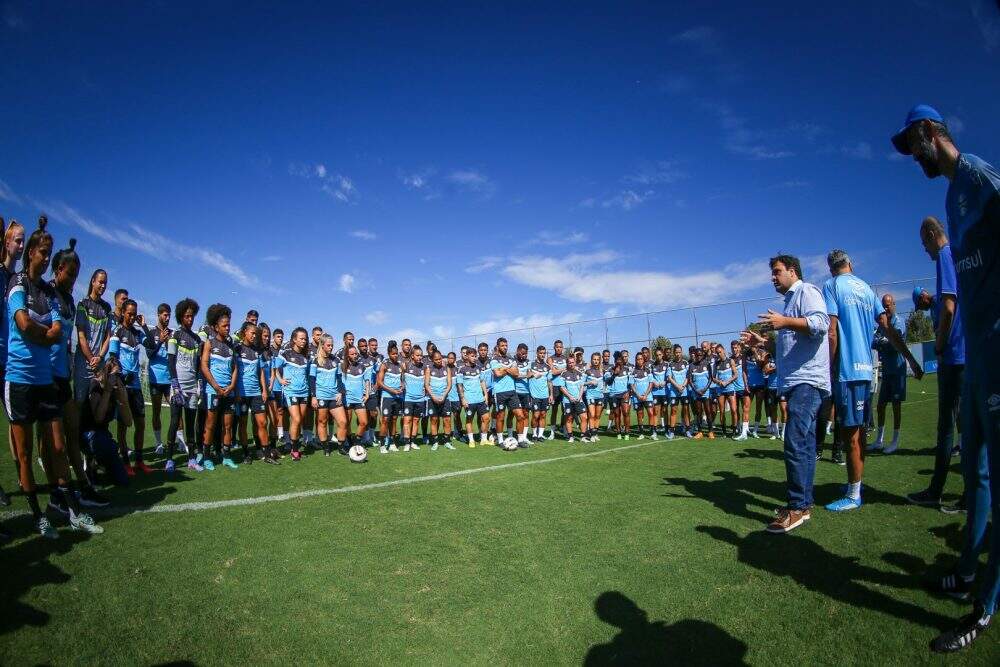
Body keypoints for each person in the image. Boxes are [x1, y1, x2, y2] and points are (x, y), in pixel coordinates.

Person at [892, 104, 1000, 651]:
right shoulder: (951, 196)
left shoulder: (978, 176)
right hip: (977, 355)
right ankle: (965, 569)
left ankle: (984, 607)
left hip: (997, 349)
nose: (913, 158)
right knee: (976, 472)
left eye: (913, 146)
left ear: (929, 133)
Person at [5, 217, 103, 537]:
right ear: (31, 252)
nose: (46, 258)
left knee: (58, 447)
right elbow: (22, 324)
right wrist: (43, 333)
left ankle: (71, 510)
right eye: (43, 253)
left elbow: (58, 330)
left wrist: (43, 333)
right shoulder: (17, 283)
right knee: (24, 454)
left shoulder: (49, 293)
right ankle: (38, 515)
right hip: (19, 377)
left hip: (45, 379)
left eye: (49, 253)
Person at [822, 249, 921, 512]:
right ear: (850, 264)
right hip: (867, 370)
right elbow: (888, 329)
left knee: (850, 434)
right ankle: (855, 484)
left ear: (831, 268)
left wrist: (828, 368)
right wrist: (910, 359)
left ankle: (854, 494)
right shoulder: (867, 289)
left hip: (847, 371)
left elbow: (832, 332)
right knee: (859, 432)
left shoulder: (831, 286)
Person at [741, 254, 829, 534]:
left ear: (792, 271)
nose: (773, 277)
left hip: (808, 381)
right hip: (796, 382)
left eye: (777, 272)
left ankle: (796, 508)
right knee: (804, 444)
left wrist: (784, 322)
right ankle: (803, 504)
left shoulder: (807, 292)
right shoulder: (790, 303)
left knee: (795, 442)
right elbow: (790, 343)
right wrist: (763, 342)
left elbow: (821, 324)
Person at [907, 215, 967, 512]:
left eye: (923, 243)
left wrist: (940, 345)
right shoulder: (959, 254)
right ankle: (971, 493)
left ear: (932, 235)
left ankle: (937, 491)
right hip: (968, 354)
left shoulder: (944, 255)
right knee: (967, 424)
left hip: (954, 356)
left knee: (947, 428)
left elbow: (948, 307)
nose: (925, 250)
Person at [47, 239, 108, 507]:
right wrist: (88, 357)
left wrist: (98, 357)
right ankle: (58, 492)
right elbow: (76, 335)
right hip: (46, 374)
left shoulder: (71, 302)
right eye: (70, 273)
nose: (73, 279)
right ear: (58, 269)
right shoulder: (49, 294)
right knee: (51, 439)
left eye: (76, 275)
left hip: (63, 373)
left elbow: (69, 339)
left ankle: (81, 485)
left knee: (72, 432)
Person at [109, 298, 154, 474]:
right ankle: (125, 462)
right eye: (129, 314)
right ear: (123, 313)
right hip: (122, 386)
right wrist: (120, 376)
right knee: (123, 425)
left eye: (134, 314)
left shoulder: (137, 333)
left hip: (136, 387)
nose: (132, 317)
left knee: (140, 424)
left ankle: (139, 461)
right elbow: (113, 357)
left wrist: (144, 326)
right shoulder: (117, 331)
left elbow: (151, 344)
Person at [165, 298, 205, 472]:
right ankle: (169, 459)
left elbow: (198, 365)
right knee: (175, 421)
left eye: (192, 316)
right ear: (181, 316)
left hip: (192, 387)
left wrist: (199, 383)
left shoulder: (197, 339)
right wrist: (175, 384)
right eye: (187, 316)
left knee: (190, 423)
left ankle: (191, 459)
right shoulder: (175, 336)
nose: (190, 319)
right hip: (178, 387)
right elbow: (170, 361)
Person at [199, 304, 239, 470]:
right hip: (213, 391)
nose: (227, 328)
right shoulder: (210, 343)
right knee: (210, 425)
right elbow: (204, 366)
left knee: (227, 426)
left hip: (228, 392)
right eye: (224, 325)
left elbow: (235, 368)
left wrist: (232, 386)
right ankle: (206, 457)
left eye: (229, 325)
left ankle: (226, 456)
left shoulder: (231, 346)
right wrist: (215, 386)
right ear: (216, 327)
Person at [870, 294, 907, 454]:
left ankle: (895, 441)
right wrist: (884, 341)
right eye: (883, 305)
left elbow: (894, 342)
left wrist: (884, 341)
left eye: (888, 305)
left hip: (897, 370)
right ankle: (879, 440)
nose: (885, 308)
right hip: (886, 371)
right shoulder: (881, 325)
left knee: (896, 406)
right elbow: (874, 342)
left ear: (894, 305)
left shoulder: (899, 321)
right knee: (880, 406)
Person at [273, 327, 311, 461]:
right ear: (294, 339)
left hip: (304, 392)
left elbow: (307, 373)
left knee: (299, 420)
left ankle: (292, 443)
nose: (304, 341)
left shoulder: (306, 356)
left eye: (305, 339)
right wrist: (280, 380)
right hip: (291, 391)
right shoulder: (286, 354)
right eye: (301, 338)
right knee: (296, 419)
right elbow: (274, 367)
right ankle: (294, 450)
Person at [234, 322, 269, 463]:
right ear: (244, 332)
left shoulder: (257, 351)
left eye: (256, 334)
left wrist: (264, 390)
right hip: (242, 393)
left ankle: (266, 453)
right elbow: (234, 370)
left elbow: (261, 372)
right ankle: (246, 453)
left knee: (262, 422)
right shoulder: (237, 348)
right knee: (243, 424)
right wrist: (236, 390)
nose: (254, 336)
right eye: (252, 333)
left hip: (256, 393)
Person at [310, 333, 346, 457]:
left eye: (332, 345)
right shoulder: (315, 361)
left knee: (343, 422)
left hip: (334, 396)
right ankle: (326, 447)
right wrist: (313, 396)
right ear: (322, 345)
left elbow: (339, 378)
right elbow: (312, 379)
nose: (331, 347)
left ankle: (341, 447)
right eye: (328, 345)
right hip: (321, 396)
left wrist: (340, 392)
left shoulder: (336, 360)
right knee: (322, 421)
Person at [148, 303, 174, 455]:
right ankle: (159, 444)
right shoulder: (151, 333)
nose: (167, 318)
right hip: (155, 380)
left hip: (170, 380)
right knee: (156, 412)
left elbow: (174, 356)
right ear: (158, 315)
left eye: (169, 315)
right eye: (165, 315)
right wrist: (160, 342)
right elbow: (150, 354)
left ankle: (180, 442)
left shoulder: (172, 334)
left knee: (176, 409)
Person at [458, 347, 490, 447]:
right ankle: (471, 440)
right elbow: (460, 385)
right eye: (472, 356)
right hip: (469, 400)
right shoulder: (462, 369)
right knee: (469, 420)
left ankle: (483, 439)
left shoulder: (479, 368)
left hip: (480, 399)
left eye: (475, 356)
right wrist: (463, 399)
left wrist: (486, 395)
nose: (474, 358)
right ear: (467, 356)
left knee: (486, 418)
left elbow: (482, 382)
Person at [424, 349, 454, 450]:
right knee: (434, 420)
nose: (438, 361)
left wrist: (443, 396)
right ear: (433, 360)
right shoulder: (429, 369)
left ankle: (447, 441)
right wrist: (434, 397)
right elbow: (427, 385)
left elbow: (449, 385)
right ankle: (435, 442)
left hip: (445, 398)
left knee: (447, 420)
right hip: (432, 399)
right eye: (436, 359)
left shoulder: (447, 369)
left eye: (440, 359)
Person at [376, 343, 404, 452]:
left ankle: (392, 442)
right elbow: (379, 382)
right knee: (385, 420)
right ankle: (383, 444)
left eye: (396, 354)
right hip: (387, 397)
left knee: (394, 420)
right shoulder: (385, 365)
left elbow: (402, 380)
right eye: (393, 354)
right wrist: (392, 390)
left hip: (398, 397)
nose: (395, 355)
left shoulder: (400, 366)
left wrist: (402, 386)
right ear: (388, 354)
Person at [490, 338, 518, 440]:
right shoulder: (494, 360)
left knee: (519, 415)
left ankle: (520, 439)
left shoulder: (511, 360)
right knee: (500, 417)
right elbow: (497, 374)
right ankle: (500, 440)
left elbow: (516, 373)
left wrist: (504, 368)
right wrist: (509, 369)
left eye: (506, 345)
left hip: (512, 391)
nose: (505, 347)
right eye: (502, 346)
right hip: (499, 392)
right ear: (498, 347)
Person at [401, 345, 426, 451]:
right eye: (417, 355)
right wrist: (402, 385)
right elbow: (401, 378)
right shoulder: (406, 365)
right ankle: (407, 443)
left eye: (421, 355)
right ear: (412, 356)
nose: (420, 357)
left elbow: (426, 382)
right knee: (407, 420)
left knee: (416, 420)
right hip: (408, 398)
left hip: (420, 399)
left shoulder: (424, 367)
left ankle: (413, 442)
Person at [712, 344, 738, 438]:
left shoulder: (730, 361)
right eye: (717, 353)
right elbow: (713, 378)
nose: (719, 354)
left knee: (733, 410)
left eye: (720, 352)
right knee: (722, 411)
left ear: (724, 350)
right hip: (720, 390)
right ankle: (724, 432)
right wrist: (719, 382)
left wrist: (727, 382)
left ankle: (734, 430)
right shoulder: (716, 364)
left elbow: (735, 375)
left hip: (730, 388)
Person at [559, 356, 587, 442]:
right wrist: (570, 397)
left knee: (584, 417)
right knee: (569, 419)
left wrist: (579, 397)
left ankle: (583, 437)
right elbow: (562, 387)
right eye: (569, 362)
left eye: (572, 362)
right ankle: (571, 437)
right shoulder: (563, 374)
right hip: (568, 400)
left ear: (575, 363)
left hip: (579, 400)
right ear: (567, 363)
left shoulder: (580, 373)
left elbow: (582, 386)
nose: (571, 364)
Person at [688, 348, 713, 439]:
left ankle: (710, 431)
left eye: (700, 355)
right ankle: (700, 432)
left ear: (703, 355)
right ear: (695, 355)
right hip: (696, 393)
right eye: (697, 355)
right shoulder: (691, 365)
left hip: (706, 392)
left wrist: (705, 389)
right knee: (698, 412)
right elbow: (690, 380)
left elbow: (711, 378)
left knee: (708, 411)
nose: (699, 356)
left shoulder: (707, 364)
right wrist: (696, 390)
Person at [527, 345, 551, 441]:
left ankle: (540, 435)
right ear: (537, 353)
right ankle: (534, 434)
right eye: (540, 353)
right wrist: (534, 374)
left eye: (544, 353)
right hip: (534, 395)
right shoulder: (531, 364)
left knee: (543, 415)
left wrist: (551, 395)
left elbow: (549, 381)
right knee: (535, 415)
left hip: (545, 395)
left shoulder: (547, 367)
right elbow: (527, 375)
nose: (542, 355)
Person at [667, 344, 690, 439]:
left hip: (684, 391)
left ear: (681, 352)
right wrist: (677, 386)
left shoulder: (686, 363)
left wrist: (683, 386)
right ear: (674, 353)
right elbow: (669, 377)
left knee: (686, 410)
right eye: (676, 352)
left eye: (679, 352)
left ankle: (687, 430)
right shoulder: (670, 364)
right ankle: (672, 431)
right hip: (674, 391)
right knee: (673, 411)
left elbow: (688, 376)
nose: (678, 354)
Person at [629, 352, 654, 439]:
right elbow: (632, 385)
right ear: (636, 360)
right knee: (639, 414)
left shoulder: (648, 370)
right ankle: (641, 433)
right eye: (638, 359)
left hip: (648, 396)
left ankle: (652, 433)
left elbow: (651, 383)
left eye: (641, 359)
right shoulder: (633, 371)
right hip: (637, 397)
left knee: (651, 413)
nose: (639, 361)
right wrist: (638, 395)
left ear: (643, 360)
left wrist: (646, 394)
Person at [512, 343, 533, 445]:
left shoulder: (528, 362)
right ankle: (511, 435)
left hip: (526, 392)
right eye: (523, 353)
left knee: (525, 414)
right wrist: (526, 375)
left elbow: (530, 373)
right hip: (515, 391)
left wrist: (532, 375)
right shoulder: (513, 361)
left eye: (526, 354)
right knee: (514, 415)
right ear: (518, 351)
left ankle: (524, 437)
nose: (524, 355)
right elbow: (515, 375)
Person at [547, 340, 567, 439]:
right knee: (554, 410)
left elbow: (569, 369)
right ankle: (552, 432)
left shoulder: (565, 359)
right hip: (554, 387)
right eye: (557, 347)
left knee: (565, 410)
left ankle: (564, 429)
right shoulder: (550, 359)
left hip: (564, 386)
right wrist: (563, 369)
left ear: (562, 348)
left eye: (560, 347)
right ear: (554, 348)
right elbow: (553, 372)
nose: (559, 348)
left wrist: (557, 370)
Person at [583, 352, 605, 443]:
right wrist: (590, 382)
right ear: (591, 360)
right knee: (592, 415)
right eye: (594, 359)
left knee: (597, 416)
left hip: (600, 396)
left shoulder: (602, 371)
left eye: (597, 359)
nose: (596, 361)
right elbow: (582, 383)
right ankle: (592, 435)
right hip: (590, 395)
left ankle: (595, 434)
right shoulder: (587, 371)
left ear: (600, 361)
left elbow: (606, 382)